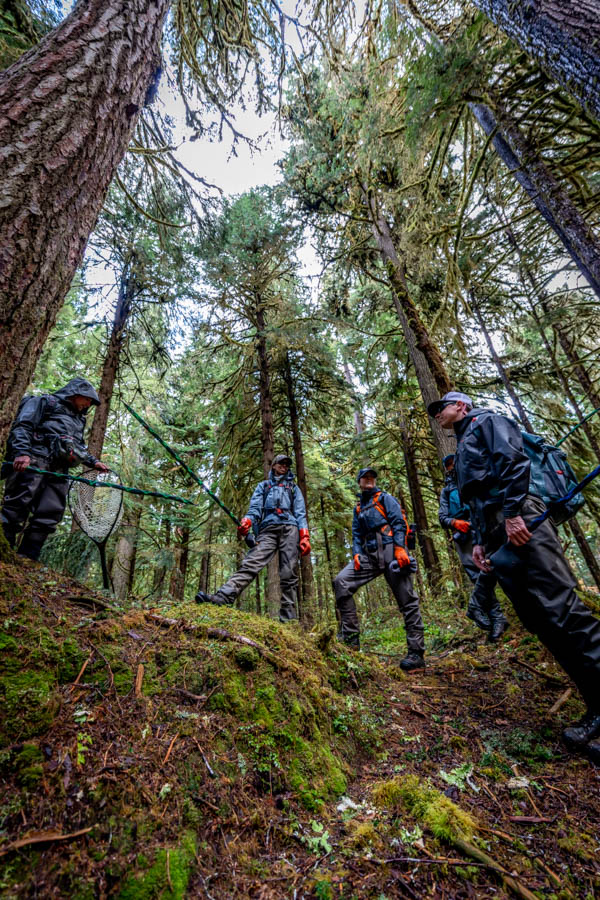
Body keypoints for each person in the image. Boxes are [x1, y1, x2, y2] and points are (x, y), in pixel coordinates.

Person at [427, 391, 600, 760]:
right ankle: (596, 707)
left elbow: (514, 462)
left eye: (441, 407)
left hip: (522, 519)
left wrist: (514, 513)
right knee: (541, 620)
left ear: (461, 406)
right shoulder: (459, 452)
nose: (436, 414)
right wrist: (478, 542)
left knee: (564, 609)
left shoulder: (488, 421)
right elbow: (472, 500)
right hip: (493, 534)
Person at [1, 377, 109, 560]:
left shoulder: (78, 420)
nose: (88, 404)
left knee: (50, 513)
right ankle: (4, 554)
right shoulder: (44, 402)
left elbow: (78, 447)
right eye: (87, 399)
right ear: (76, 393)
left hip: (59, 470)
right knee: (16, 506)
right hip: (33, 462)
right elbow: (23, 426)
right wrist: (22, 452)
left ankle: (27, 559)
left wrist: (92, 462)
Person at [195, 454, 310, 621]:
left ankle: (289, 620)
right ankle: (223, 597)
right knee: (251, 563)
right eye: (281, 463)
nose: (284, 466)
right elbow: (255, 508)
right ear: (274, 465)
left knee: (289, 573)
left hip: (290, 529)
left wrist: (304, 535)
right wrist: (248, 521)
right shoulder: (263, 487)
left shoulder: (293, 488)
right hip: (268, 530)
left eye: (287, 464)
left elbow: (300, 513)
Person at [334, 467, 426, 670]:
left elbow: (398, 523)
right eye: (365, 477)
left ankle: (416, 653)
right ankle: (350, 641)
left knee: (407, 600)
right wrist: (356, 553)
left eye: (372, 477)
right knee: (341, 581)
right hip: (369, 556)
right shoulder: (358, 508)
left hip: (392, 551)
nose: (369, 480)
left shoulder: (386, 499)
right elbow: (356, 534)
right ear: (359, 481)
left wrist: (401, 549)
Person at [438, 453, 508, 641]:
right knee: (477, 575)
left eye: (454, 464)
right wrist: (455, 522)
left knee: (495, 565)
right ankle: (497, 617)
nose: (452, 468)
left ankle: (490, 612)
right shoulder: (446, 491)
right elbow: (442, 516)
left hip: (485, 529)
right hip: (464, 537)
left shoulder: (473, 478)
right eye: (448, 466)